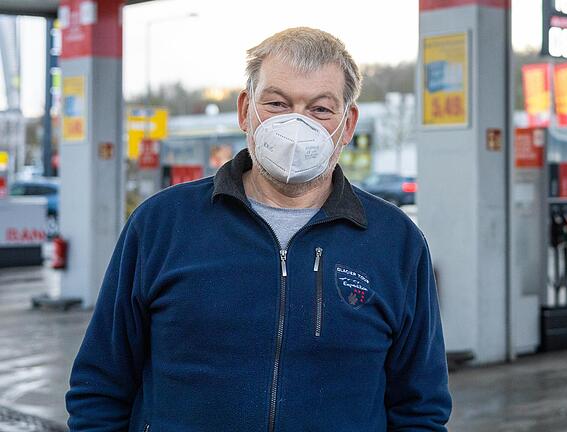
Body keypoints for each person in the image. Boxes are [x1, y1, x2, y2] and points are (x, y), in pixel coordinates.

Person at [66, 27, 452, 431]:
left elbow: (420, 407)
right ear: (245, 110)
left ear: (348, 124)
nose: (296, 125)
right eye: (277, 103)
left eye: (321, 109)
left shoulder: (395, 242)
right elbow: (99, 386)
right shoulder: (162, 225)